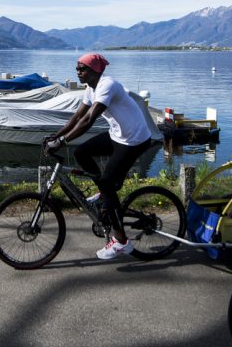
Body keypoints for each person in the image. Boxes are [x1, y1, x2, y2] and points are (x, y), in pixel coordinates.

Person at [44, 53, 153, 260]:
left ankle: (121, 241)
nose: (78, 72)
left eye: (82, 68)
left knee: (107, 183)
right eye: (77, 68)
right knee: (81, 152)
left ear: (95, 71)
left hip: (134, 140)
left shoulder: (107, 85)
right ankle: (104, 192)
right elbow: (78, 116)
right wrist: (55, 136)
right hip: (118, 136)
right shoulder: (90, 88)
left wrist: (61, 142)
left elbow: (88, 121)